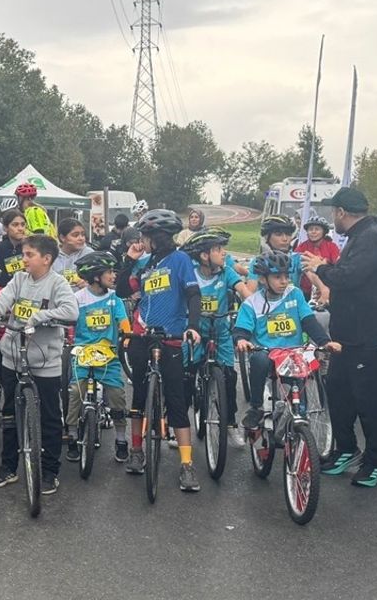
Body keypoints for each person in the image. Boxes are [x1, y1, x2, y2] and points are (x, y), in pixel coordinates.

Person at [301, 186, 377, 487]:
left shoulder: (372, 238)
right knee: (339, 394)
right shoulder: (359, 237)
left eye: (334, 213)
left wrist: (321, 268)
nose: (334, 219)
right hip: (346, 337)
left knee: (370, 402)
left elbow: (350, 277)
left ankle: (373, 464)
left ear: (342, 212)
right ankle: (345, 448)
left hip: (369, 338)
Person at [0, 234, 78, 491]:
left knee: (50, 418)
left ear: (47, 259)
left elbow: (71, 312)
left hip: (45, 361)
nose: (24, 259)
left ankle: (50, 471)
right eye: (23, 254)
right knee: (9, 415)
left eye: (29, 255)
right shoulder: (18, 280)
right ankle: (8, 468)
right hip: (13, 358)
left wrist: (42, 316)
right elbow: (0, 303)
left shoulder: (57, 284)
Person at [117, 209, 204, 492]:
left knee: (177, 402)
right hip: (142, 335)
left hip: (172, 337)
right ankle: (137, 451)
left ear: (157, 237)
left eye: (145, 236)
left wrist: (192, 326)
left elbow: (193, 294)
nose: (141, 240)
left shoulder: (180, 261)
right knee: (139, 397)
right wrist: (128, 261)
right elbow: (120, 290)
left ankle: (187, 465)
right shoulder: (144, 265)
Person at [235, 251, 337, 426]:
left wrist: (325, 342)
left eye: (286, 276)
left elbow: (308, 321)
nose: (284, 281)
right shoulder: (252, 303)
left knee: (308, 368)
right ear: (262, 279)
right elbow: (241, 329)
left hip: (293, 353)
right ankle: (256, 407)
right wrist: (242, 340)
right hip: (267, 354)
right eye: (277, 277)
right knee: (258, 360)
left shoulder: (295, 294)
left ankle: (299, 412)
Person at [63, 251, 130, 463]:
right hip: (82, 354)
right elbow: (67, 319)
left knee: (117, 395)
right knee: (75, 392)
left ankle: (121, 439)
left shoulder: (114, 298)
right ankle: (72, 434)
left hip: (108, 355)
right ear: (95, 276)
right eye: (109, 272)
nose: (113, 275)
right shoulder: (78, 299)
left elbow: (123, 321)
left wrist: (127, 336)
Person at [182, 229, 246, 447]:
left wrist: (256, 308)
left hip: (221, 331)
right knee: (186, 376)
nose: (223, 253)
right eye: (218, 249)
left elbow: (243, 290)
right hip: (195, 332)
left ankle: (230, 424)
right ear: (204, 255)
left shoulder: (226, 272)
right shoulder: (190, 273)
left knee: (229, 377)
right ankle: (177, 425)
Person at [295, 215, 340, 299]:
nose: (313, 232)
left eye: (317, 229)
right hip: (305, 291)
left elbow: (337, 266)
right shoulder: (301, 247)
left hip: (328, 289)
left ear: (324, 232)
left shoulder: (332, 247)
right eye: (310, 229)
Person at [52, 218, 94, 287]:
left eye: (83, 235)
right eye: (75, 235)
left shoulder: (90, 254)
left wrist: (89, 284)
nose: (81, 238)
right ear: (62, 237)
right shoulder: (52, 255)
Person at [0, 209, 28, 281]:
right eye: (15, 225)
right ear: (5, 228)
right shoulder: (0, 248)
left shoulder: (31, 248)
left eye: (23, 224)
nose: (20, 228)